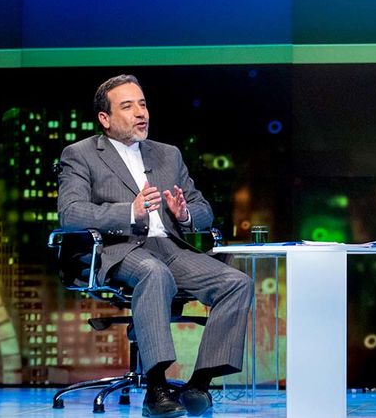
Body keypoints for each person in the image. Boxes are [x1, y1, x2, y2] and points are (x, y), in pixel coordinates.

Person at [58, 74, 253, 417]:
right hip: (117, 249)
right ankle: (157, 389)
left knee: (236, 283)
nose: (140, 113)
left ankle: (199, 384)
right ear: (105, 118)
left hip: (169, 247)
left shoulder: (168, 155)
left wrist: (185, 213)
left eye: (143, 104)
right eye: (127, 106)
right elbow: (70, 213)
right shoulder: (81, 154)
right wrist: (128, 212)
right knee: (154, 272)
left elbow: (204, 210)